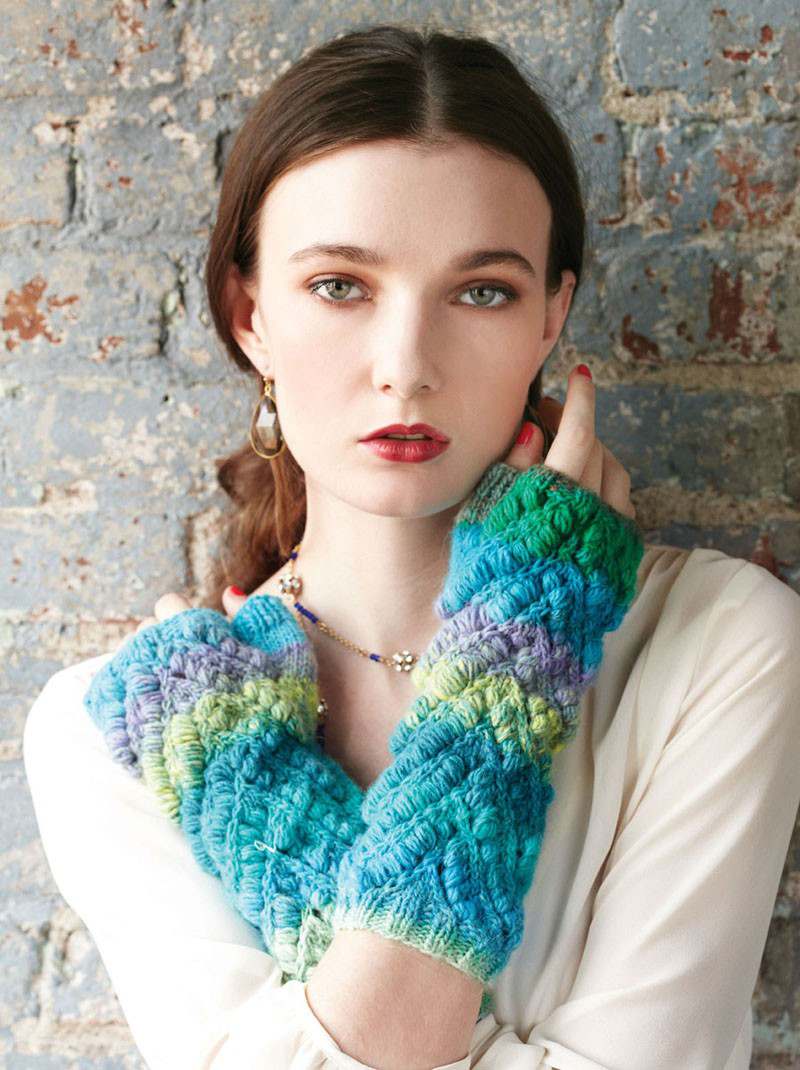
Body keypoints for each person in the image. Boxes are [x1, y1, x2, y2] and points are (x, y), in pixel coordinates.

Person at [23, 22, 800, 1070]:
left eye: (481, 291)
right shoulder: (125, 727)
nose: (405, 364)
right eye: (339, 285)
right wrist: (242, 775)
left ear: (550, 316)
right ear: (250, 317)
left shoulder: (720, 641)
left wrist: (515, 656)